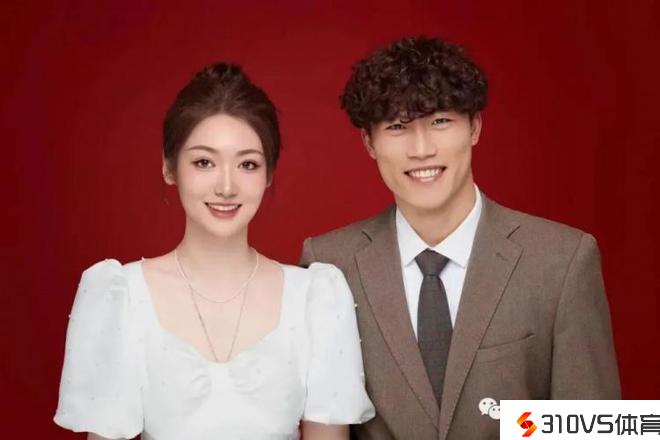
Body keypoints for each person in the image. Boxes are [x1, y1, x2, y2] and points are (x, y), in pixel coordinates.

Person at [300, 36, 620, 440]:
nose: (421, 149)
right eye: (397, 127)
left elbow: (594, 428)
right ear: (369, 143)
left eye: (440, 121)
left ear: (475, 127)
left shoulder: (561, 260)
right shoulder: (330, 264)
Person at [54, 63, 374, 440]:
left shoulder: (315, 297)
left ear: (269, 174)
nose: (226, 186)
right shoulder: (120, 295)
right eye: (204, 162)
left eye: (247, 164)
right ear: (169, 168)